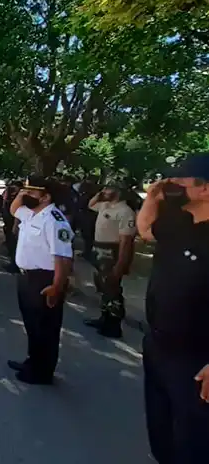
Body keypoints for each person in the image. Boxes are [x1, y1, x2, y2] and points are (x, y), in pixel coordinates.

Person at [135, 153, 209, 464]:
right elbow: (145, 230)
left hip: (195, 358)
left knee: (194, 442)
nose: (172, 186)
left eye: (180, 180)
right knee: (162, 430)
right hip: (158, 345)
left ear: (205, 188)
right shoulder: (178, 221)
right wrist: (152, 196)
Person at [8, 176, 74, 385]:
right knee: (32, 325)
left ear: (46, 197)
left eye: (32, 192)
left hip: (44, 279)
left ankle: (43, 372)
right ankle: (32, 361)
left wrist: (57, 287)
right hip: (27, 277)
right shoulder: (31, 214)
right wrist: (22, 192)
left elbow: (62, 258)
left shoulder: (55, 220)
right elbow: (13, 210)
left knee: (45, 328)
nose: (27, 195)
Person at [83, 181, 136, 338]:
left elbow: (126, 241)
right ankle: (103, 318)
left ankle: (114, 325)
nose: (104, 191)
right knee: (103, 287)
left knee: (112, 289)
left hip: (111, 252)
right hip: (99, 249)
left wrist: (121, 264)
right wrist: (100, 195)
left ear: (118, 192)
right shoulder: (104, 205)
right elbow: (90, 204)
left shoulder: (125, 211)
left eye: (108, 188)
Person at [2, 181, 21, 274]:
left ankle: (15, 265)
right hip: (8, 223)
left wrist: (15, 227)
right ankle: (13, 262)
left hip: (15, 223)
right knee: (11, 244)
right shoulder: (9, 194)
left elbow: (17, 213)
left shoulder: (20, 198)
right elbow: (4, 200)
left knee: (15, 245)